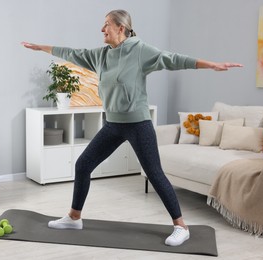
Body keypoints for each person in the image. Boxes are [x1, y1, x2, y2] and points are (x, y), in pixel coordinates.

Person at [22, 9, 242, 246]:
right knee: (83, 164)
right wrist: (41, 47)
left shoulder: (139, 51)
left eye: (106, 24)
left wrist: (211, 65)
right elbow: (73, 53)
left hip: (138, 124)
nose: (102, 29)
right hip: (113, 124)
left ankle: (181, 226)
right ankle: (74, 217)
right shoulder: (102, 55)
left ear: (121, 28)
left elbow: (173, 59)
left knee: (155, 174)